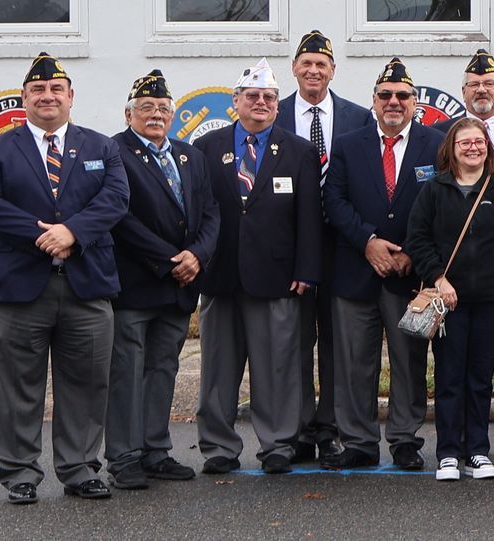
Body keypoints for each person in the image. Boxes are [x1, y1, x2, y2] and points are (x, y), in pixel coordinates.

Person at [0, 52, 129, 504]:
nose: (47, 96)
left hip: (87, 284)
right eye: (38, 90)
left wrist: (73, 233)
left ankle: (80, 468)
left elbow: (116, 199)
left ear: (71, 97)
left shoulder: (102, 147)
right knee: (16, 386)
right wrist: (45, 236)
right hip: (19, 287)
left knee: (87, 381)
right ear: (24, 98)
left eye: (56, 89)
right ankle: (19, 472)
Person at [190, 58, 323, 477]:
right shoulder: (207, 149)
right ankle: (218, 446)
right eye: (252, 96)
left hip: (278, 276)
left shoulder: (299, 151)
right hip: (221, 274)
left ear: (277, 105)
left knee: (278, 366)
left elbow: (309, 217)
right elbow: (197, 212)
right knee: (218, 367)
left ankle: (278, 443)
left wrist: (307, 268)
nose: (260, 103)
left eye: (268, 97)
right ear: (236, 101)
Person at [318, 58, 443, 471]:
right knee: (354, 360)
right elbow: (334, 201)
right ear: (373, 101)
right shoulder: (349, 143)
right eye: (385, 95)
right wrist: (368, 241)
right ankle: (358, 440)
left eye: (403, 96)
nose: (394, 102)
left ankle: (405, 439)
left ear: (415, 103)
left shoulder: (434, 144)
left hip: (409, 276)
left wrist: (410, 250)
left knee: (409, 360)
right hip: (356, 270)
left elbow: (439, 205)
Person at [104, 69, 216, 490]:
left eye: (163, 109)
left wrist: (197, 255)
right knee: (127, 372)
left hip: (181, 284)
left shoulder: (189, 156)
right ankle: (123, 456)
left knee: (163, 369)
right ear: (128, 113)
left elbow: (210, 214)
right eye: (146, 108)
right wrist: (170, 258)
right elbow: (121, 219)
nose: (155, 115)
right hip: (137, 282)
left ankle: (155, 450)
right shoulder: (114, 151)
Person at [406, 117, 494, 481]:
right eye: (465, 143)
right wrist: (438, 278)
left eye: (479, 142)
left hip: (492, 301)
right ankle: (447, 453)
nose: (473, 148)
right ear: (452, 149)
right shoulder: (434, 190)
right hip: (450, 304)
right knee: (448, 377)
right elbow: (418, 239)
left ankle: (477, 450)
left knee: (480, 378)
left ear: (487, 148)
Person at [276, 30, 376, 463]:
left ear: (333, 71)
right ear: (294, 68)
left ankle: (330, 426)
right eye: (306, 63)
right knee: (292, 341)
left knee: (338, 343)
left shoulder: (358, 118)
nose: (314, 70)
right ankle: (297, 427)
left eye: (322, 64)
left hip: (342, 248)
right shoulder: (272, 114)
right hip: (289, 248)